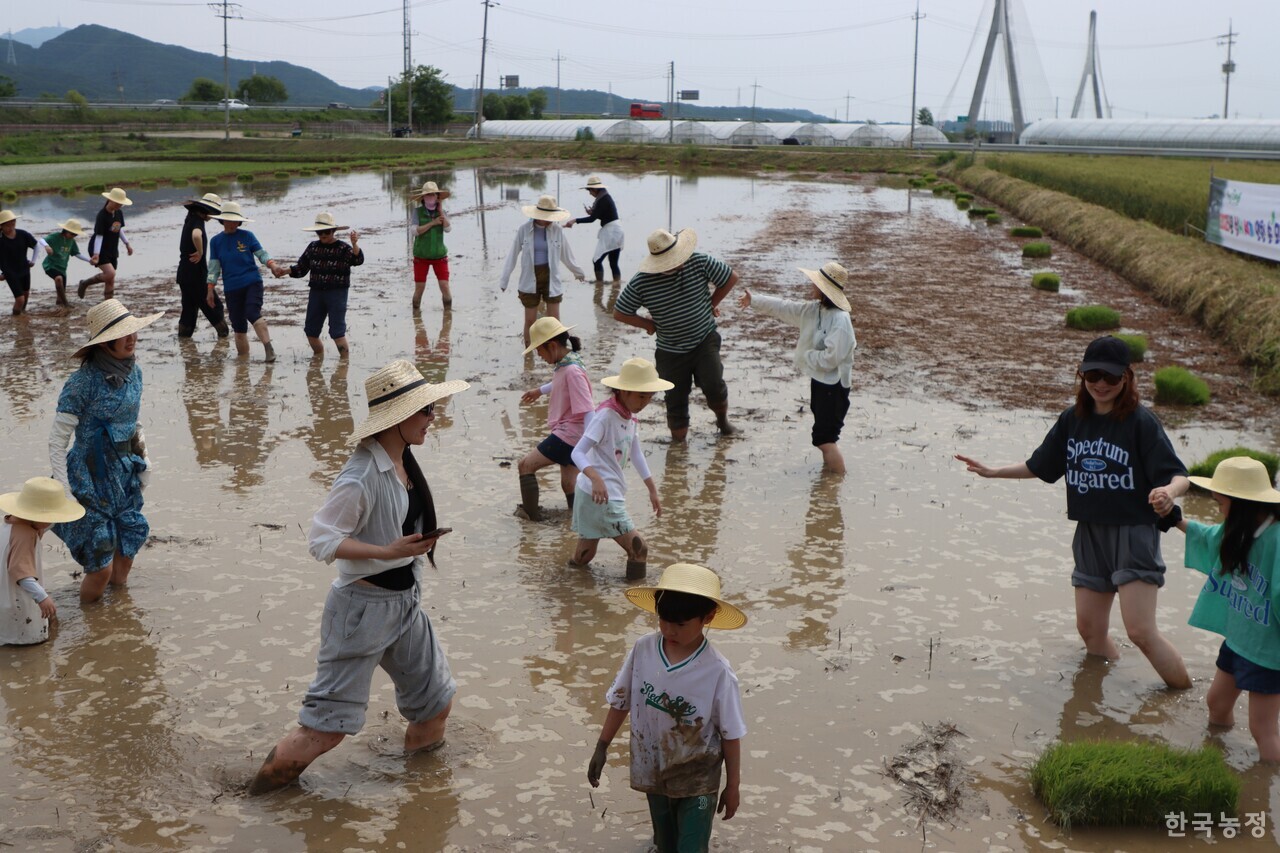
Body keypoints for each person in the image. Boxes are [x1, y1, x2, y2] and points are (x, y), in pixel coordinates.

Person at [248, 359, 469, 794]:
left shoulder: (403, 461)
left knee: (435, 705)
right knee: (325, 729)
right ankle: (256, 800)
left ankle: (420, 796)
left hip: (405, 605)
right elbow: (321, 541)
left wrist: (405, 555)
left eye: (432, 408)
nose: (433, 417)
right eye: (426, 410)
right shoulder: (362, 474)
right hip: (361, 613)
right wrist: (386, 552)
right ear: (399, 416)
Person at [955, 335, 1192, 689]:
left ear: (1126, 377)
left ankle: (1182, 697)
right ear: (1081, 375)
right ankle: (1097, 696)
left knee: (1140, 632)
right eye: (1093, 375)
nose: (1101, 384)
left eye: (1110, 377)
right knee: (1090, 629)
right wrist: (993, 471)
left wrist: (1168, 492)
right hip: (1089, 532)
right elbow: (1040, 466)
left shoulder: (1140, 422)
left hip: (1132, 533)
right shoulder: (1073, 419)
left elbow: (1180, 475)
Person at [588, 562, 747, 853]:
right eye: (663, 620)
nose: (669, 630)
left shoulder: (717, 671)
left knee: (691, 848)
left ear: (708, 617)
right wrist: (602, 746)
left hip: (699, 778)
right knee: (665, 844)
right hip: (654, 769)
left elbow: (731, 733)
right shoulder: (643, 649)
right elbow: (621, 700)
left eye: (681, 624)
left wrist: (733, 786)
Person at [1163, 456, 1280, 761]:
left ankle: (1268, 779)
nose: (1217, 509)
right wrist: (1174, 520)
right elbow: (1210, 538)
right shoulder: (1239, 529)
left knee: (1262, 729)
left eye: (1220, 503)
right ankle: (1217, 760)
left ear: (1242, 504)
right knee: (1216, 703)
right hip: (1239, 640)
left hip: (1268, 654)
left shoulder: (1277, 538)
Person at [49, 299, 163, 603]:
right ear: (103, 343)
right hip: (89, 478)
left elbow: (133, 421)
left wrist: (146, 459)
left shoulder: (135, 373)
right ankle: (89, 619)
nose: (132, 339)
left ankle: (116, 618)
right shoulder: (81, 383)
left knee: (126, 551)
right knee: (100, 566)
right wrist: (64, 490)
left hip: (125, 474)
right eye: (123, 335)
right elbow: (57, 441)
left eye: (133, 331)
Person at [613, 229, 739, 442]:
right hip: (670, 350)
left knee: (714, 384)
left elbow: (730, 278)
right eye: (673, 260)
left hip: (704, 338)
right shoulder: (643, 281)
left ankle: (723, 422)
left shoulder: (699, 261)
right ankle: (678, 447)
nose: (680, 262)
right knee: (675, 397)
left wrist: (711, 303)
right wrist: (648, 324)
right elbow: (620, 312)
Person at [738, 262, 856, 474]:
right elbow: (785, 307)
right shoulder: (815, 310)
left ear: (824, 290)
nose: (812, 286)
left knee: (825, 439)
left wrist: (805, 356)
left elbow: (831, 359)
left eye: (815, 284)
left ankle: (837, 482)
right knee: (824, 436)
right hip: (820, 381)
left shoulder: (840, 320)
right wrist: (754, 300)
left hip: (834, 386)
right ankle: (828, 481)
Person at [570, 357, 671, 580]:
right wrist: (596, 478)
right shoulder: (605, 417)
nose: (645, 402)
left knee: (584, 556)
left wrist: (652, 489)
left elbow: (636, 453)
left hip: (594, 494)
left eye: (650, 397)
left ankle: (568, 583)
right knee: (639, 549)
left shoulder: (630, 417)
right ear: (624, 391)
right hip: (600, 494)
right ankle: (635, 597)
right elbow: (577, 452)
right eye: (641, 396)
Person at [517, 317, 595, 521]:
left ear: (551, 345)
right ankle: (578, 519)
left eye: (539, 350)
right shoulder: (568, 362)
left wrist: (589, 445)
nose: (539, 356)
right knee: (568, 484)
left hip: (570, 434)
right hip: (574, 435)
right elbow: (560, 382)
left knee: (525, 465)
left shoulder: (572, 371)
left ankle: (530, 518)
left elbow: (588, 410)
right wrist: (540, 390)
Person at [1, 477, 85, 645]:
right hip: (17, 597)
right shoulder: (25, 535)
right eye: (50, 517)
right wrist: (42, 597)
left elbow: (44, 525)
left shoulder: (12, 525)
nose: (52, 521)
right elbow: (19, 572)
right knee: (27, 639)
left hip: (4, 593)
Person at [499, 195, 585, 346]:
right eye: (547, 217)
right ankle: (529, 353)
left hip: (551, 277)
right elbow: (512, 254)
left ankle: (557, 351)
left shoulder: (557, 230)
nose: (550, 220)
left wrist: (578, 272)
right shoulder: (524, 230)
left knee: (555, 320)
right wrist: (504, 280)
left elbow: (566, 254)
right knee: (530, 321)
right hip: (529, 278)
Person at [206, 201, 283, 361]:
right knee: (238, 327)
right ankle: (242, 363)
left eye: (235, 221)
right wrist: (210, 289)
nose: (232, 224)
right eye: (229, 220)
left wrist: (273, 265)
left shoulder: (247, 236)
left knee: (252, 312)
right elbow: (214, 268)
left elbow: (261, 254)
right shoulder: (215, 241)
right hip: (231, 288)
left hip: (252, 282)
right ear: (222, 220)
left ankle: (269, 349)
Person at [282, 211, 363, 358]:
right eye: (320, 232)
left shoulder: (343, 248)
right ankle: (318, 358)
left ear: (333, 231)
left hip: (337, 293)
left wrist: (354, 244)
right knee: (311, 332)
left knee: (337, 333)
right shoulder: (313, 247)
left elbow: (357, 260)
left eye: (326, 231)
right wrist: (283, 271)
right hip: (316, 292)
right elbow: (301, 268)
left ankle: (344, 364)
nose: (323, 235)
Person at [176, 193, 230, 340]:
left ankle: (184, 343)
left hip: (184, 274)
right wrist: (200, 252)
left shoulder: (190, 219)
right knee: (214, 306)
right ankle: (224, 338)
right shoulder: (198, 222)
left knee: (189, 310)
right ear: (206, 211)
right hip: (196, 274)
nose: (212, 216)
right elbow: (196, 235)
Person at [563, 175, 624, 283]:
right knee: (613, 263)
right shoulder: (605, 197)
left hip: (611, 232)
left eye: (590, 190)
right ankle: (617, 285)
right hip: (617, 231)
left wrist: (574, 220)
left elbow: (592, 219)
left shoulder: (603, 200)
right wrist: (593, 213)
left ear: (595, 189)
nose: (590, 193)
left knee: (597, 260)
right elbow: (604, 215)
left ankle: (599, 285)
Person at [78, 187, 134, 301]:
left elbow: (118, 229)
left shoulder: (119, 213)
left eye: (121, 204)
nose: (120, 206)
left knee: (110, 280)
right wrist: (96, 254)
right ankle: (85, 283)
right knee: (110, 274)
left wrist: (127, 244)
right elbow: (99, 236)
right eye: (118, 203)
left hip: (112, 248)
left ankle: (108, 304)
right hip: (99, 248)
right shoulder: (102, 215)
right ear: (110, 200)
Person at [409, 181, 452, 310]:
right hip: (421, 256)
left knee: (445, 287)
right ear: (423, 197)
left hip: (439, 256)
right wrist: (432, 223)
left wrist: (441, 212)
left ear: (437, 197)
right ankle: (415, 312)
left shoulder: (442, 212)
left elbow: (448, 229)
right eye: (427, 195)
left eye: (433, 195)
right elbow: (414, 231)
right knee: (419, 288)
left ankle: (448, 315)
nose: (430, 197)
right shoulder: (417, 212)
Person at [41, 218, 91, 309]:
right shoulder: (55, 237)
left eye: (75, 234)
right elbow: (42, 240)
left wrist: (89, 260)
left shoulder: (72, 241)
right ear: (66, 230)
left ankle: (60, 308)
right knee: (58, 279)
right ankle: (66, 304)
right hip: (50, 265)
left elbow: (77, 254)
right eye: (72, 234)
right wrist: (47, 246)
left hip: (62, 269)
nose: (73, 236)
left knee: (60, 297)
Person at [0, 210, 41, 316]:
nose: (11, 227)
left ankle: (22, 315)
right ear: (1, 226)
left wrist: (33, 261)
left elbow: (36, 245)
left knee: (26, 294)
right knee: (20, 299)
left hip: (24, 269)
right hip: (10, 272)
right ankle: (15, 318)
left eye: (13, 224)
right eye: (7, 226)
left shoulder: (23, 234)